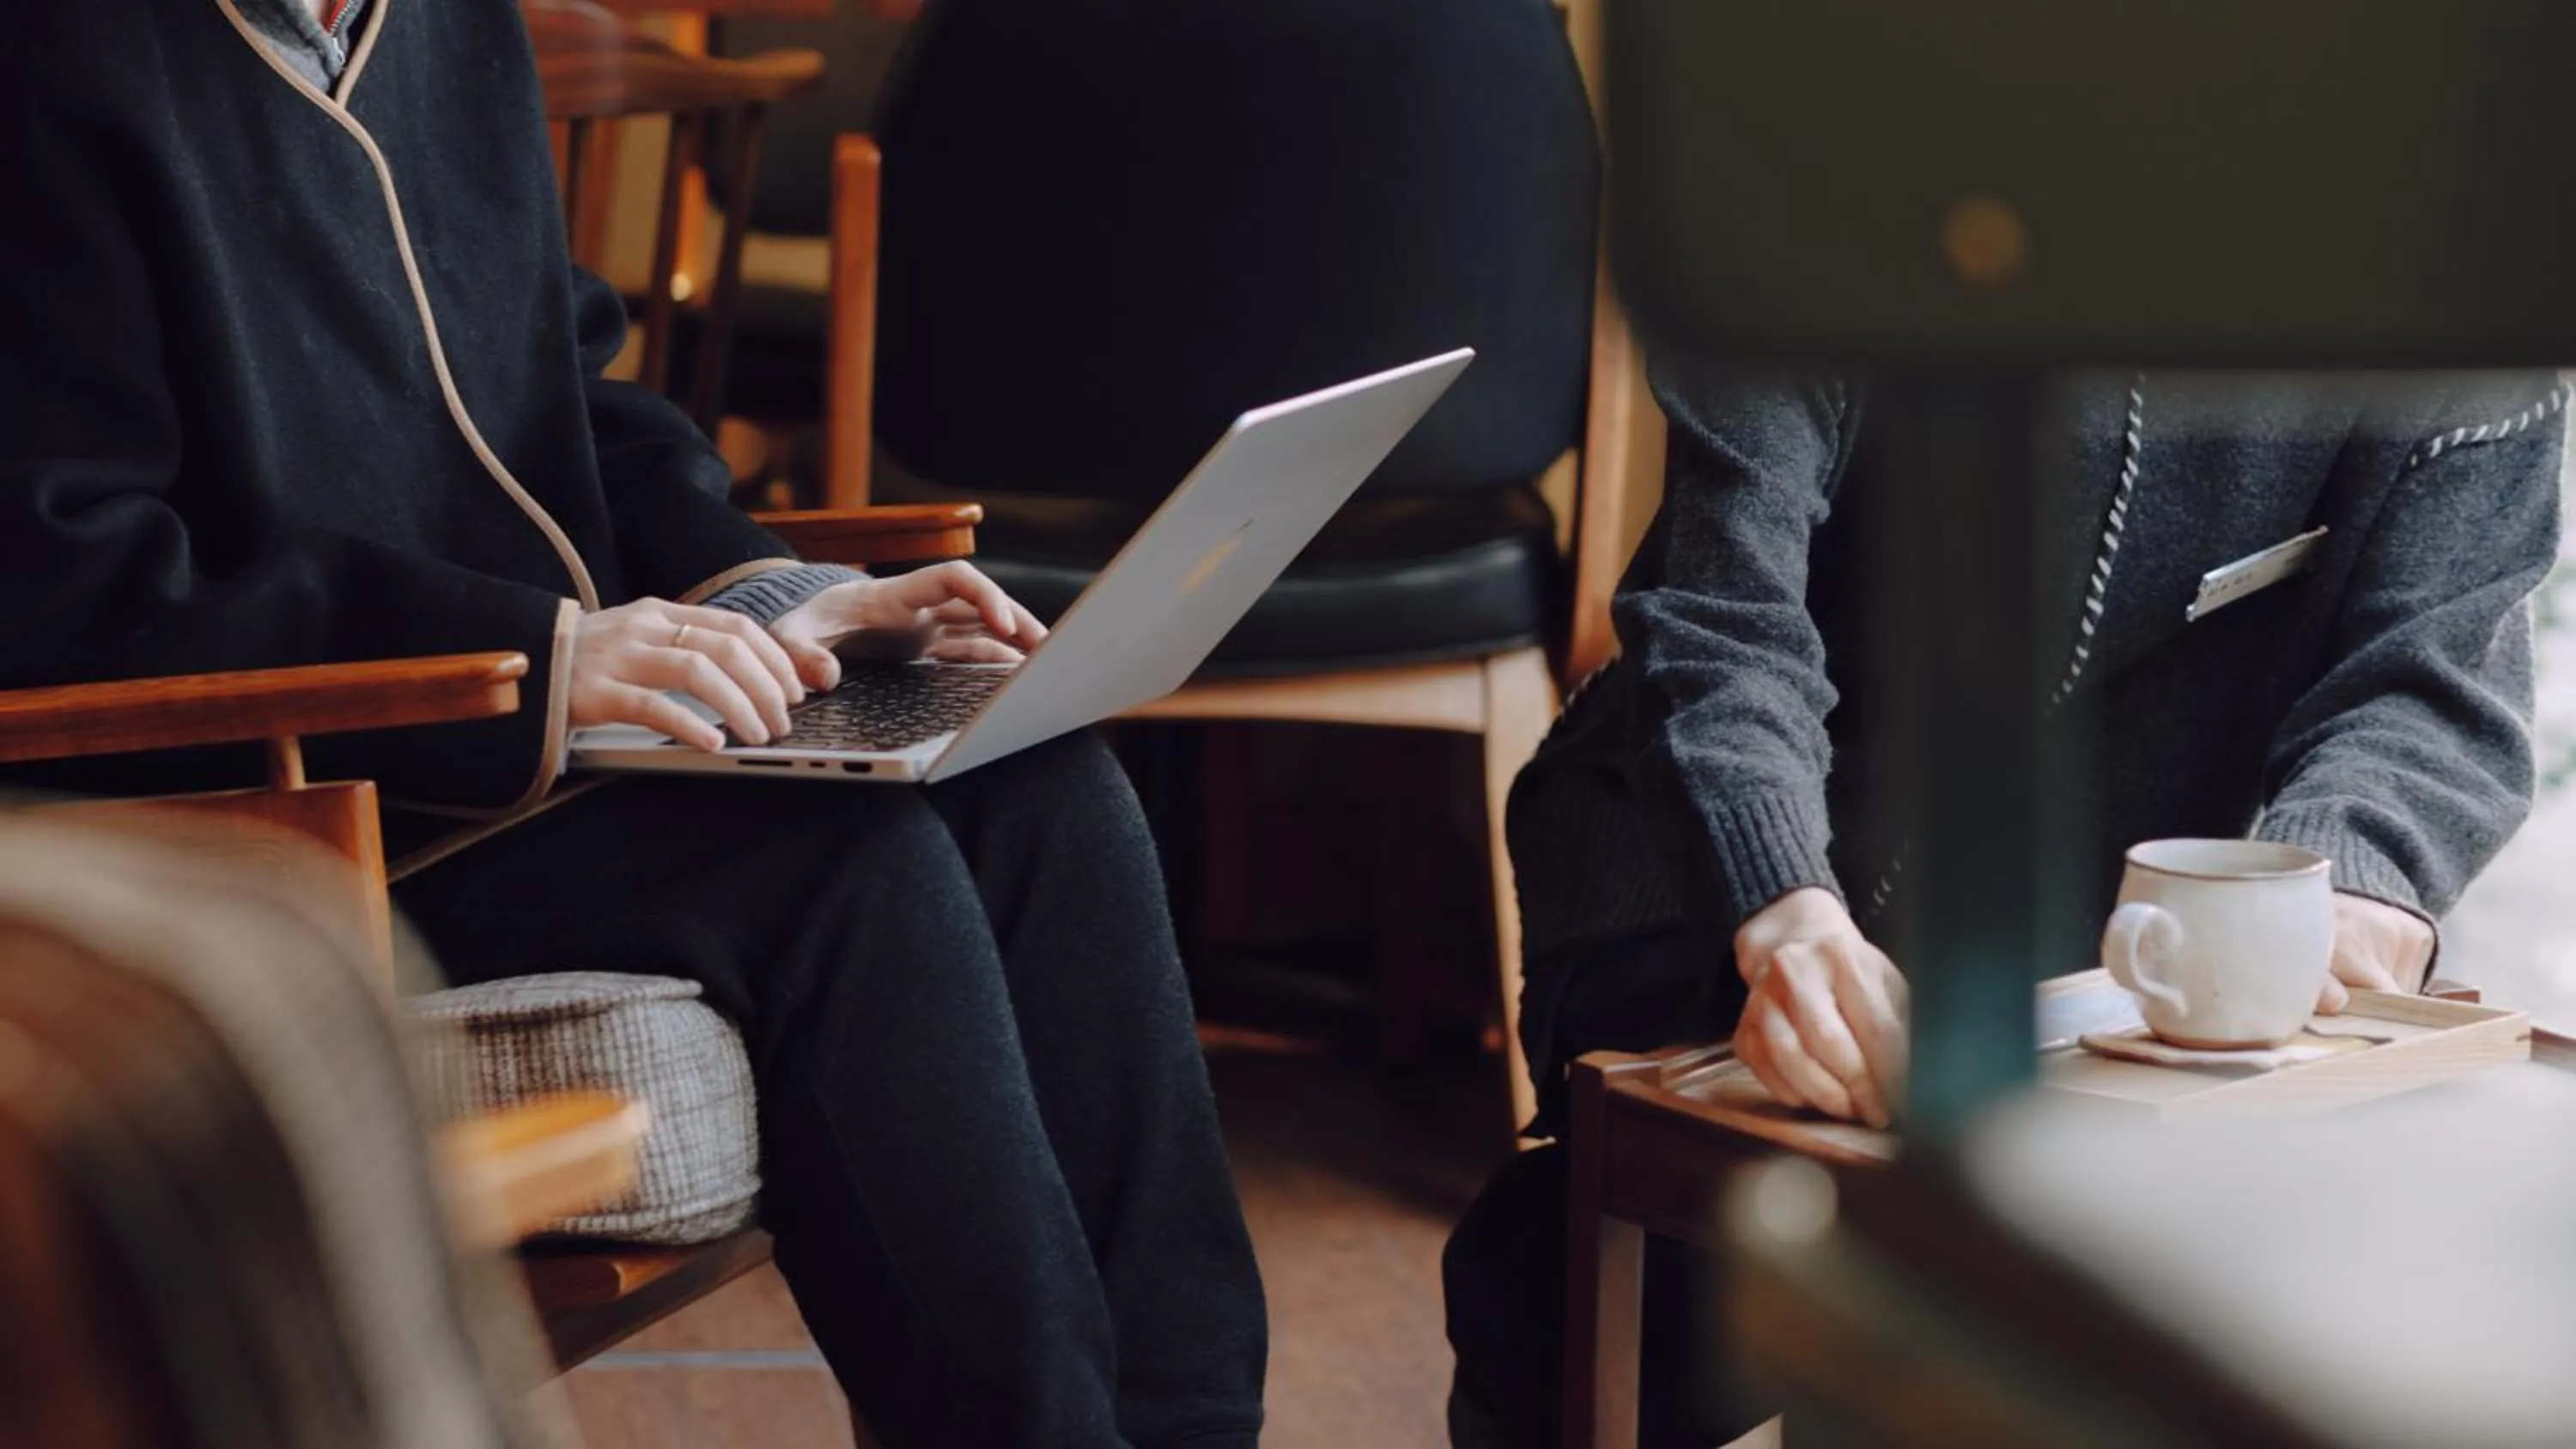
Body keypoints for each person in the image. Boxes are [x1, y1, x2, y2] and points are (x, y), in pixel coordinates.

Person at [0, 3, 1265, 1446]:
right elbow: (60, 581)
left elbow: (564, 398)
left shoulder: (443, 25)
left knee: (1044, 789)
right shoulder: (50, 58)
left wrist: (778, 594)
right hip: (268, 810)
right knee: (843, 880)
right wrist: (533, 658)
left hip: (537, 747)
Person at [1444, 361, 2567, 1446]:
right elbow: (1722, 613)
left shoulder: (2467, 286)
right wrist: (1782, 905)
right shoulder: (1838, 202)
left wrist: (2346, 894)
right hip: (1707, 865)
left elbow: (2433, 679)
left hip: (2116, 950)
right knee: (1695, 1311)